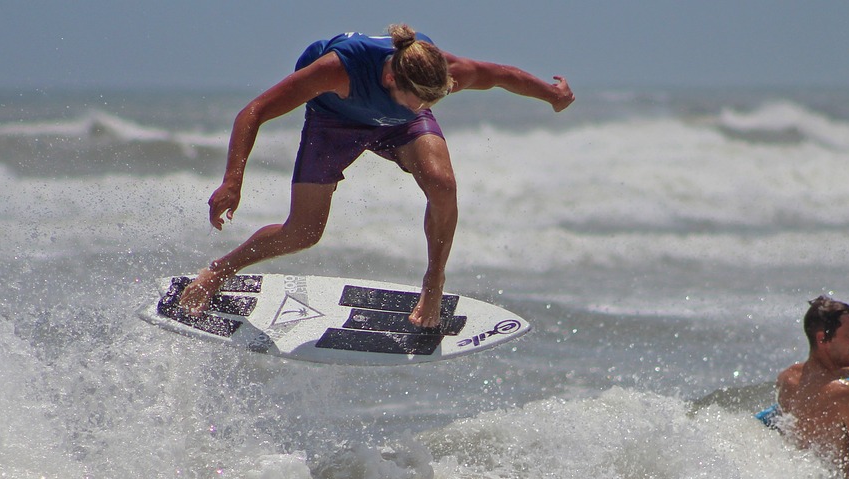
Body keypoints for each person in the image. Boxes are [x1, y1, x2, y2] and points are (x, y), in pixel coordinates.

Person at [177, 24, 574, 327]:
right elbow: (254, 111)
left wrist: (552, 94)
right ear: (390, 80)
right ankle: (218, 271)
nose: (428, 105)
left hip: (398, 126)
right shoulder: (338, 69)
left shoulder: (439, 72)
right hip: (334, 120)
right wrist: (232, 180)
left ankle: (433, 280)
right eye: (421, 99)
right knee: (304, 232)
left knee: (443, 185)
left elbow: (503, 75)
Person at [775, 296, 849, 479]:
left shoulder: (786, 380)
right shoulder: (847, 393)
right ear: (822, 338)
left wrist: (845, 371)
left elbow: (816, 380)